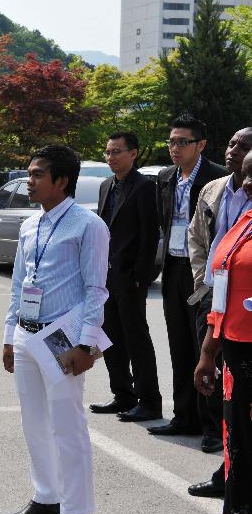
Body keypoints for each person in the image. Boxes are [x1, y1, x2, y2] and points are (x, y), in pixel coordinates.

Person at [0, 145, 109, 514]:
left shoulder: (88, 225)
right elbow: (17, 285)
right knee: (34, 423)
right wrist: (10, 336)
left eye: (36, 175)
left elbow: (97, 290)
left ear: (61, 181)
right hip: (27, 334)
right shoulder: (32, 224)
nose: (28, 181)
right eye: (29, 174)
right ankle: (47, 498)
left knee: (68, 426)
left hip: (63, 338)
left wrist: (86, 344)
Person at [150, 114, 228, 437]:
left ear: (201, 144)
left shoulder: (217, 178)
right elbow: (163, 221)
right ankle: (183, 416)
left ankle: (211, 425)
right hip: (173, 269)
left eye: (183, 142)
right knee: (178, 345)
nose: (175, 148)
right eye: (171, 141)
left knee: (206, 348)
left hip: (204, 275)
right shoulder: (166, 177)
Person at [188, 128, 252, 498]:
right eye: (231, 144)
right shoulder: (213, 189)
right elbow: (197, 237)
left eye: (243, 147)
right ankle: (228, 469)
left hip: (244, 317)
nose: (233, 151)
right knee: (218, 388)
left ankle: (233, 472)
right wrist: (204, 281)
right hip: (215, 302)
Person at [90, 132, 162, 422]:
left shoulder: (144, 186)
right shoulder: (106, 185)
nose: (111, 157)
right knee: (110, 338)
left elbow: (149, 235)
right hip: (104, 276)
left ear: (133, 154)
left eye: (117, 151)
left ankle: (149, 402)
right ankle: (123, 394)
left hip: (129, 277)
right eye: (108, 152)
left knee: (136, 340)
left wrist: (140, 277)